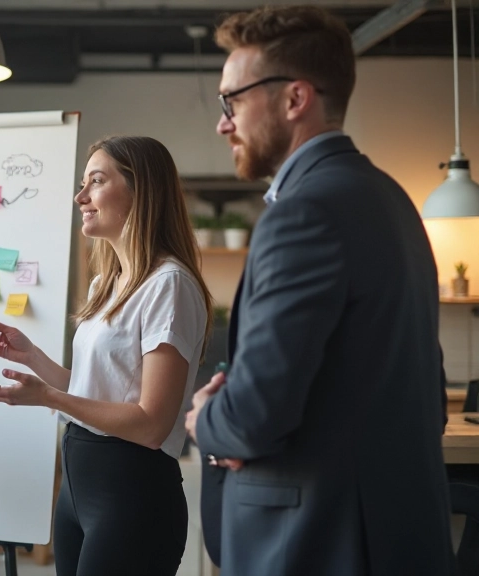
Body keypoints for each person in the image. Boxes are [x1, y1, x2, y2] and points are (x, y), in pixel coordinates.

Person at [183, 6, 453, 575]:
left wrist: (206, 415)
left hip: (316, 545)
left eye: (231, 101)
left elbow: (255, 416)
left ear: (294, 98)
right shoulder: (393, 200)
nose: (222, 123)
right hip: (391, 534)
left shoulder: (304, 215)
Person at [0, 136, 213, 576]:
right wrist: (34, 358)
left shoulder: (169, 285)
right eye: (83, 184)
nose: (81, 197)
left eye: (96, 182)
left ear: (142, 192)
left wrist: (47, 398)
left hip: (132, 492)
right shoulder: (107, 284)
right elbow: (98, 389)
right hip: (79, 487)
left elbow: (152, 424)